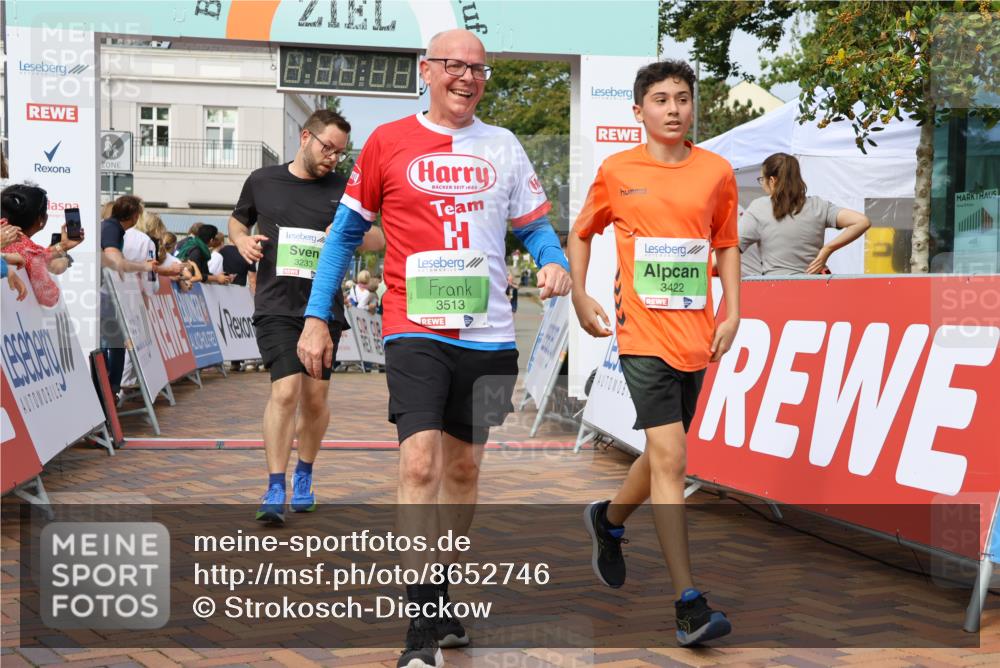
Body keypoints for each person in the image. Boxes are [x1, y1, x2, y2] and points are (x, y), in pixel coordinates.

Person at [297, 29, 571, 668]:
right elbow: (343, 238)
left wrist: (553, 261)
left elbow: (535, 227)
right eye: (454, 65)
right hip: (414, 327)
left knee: (465, 471)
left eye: (478, 69)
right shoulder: (389, 142)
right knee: (420, 465)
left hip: (491, 333)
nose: (467, 77)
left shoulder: (504, 146)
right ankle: (420, 629)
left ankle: (442, 585)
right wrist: (317, 317)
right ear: (427, 71)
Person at [568, 60, 741, 647]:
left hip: (696, 335)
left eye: (683, 98)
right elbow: (582, 231)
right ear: (638, 110)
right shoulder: (618, 171)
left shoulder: (716, 171)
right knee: (671, 458)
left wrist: (733, 311)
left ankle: (609, 520)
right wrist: (582, 294)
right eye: (661, 99)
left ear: (694, 107)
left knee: (663, 453)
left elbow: (726, 244)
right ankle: (688, 604)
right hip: (639, 335)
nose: (673, 108)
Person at [229, 109, 384, 525]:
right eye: (327, 148)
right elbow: (237, 220)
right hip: (276, 304)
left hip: (323, 307)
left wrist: (347, 234)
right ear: (305, 137)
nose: (334, 158)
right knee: (285, 391)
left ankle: (305, 475)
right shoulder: (263, 180)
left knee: (315, 399)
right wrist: (242, 242)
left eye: (341, 152)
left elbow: (378, 236)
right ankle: (274, 485)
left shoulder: (345, 188)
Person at [740, 152, 871, 275]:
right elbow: (862, 221)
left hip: (774, 288)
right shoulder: (819, 206)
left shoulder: (758, 207)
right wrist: (827, 249)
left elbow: (733, 247)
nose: (762, 184)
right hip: (812, 288)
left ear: (772, 181)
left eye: (762, 179)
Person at [100, 195, 162, 395]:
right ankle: (108, 389)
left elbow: (115, 260)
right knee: (109, 342)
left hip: (109, 293)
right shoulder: (111, 227)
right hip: (103, 295)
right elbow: (115, 261)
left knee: (115, 340)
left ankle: (111, 388)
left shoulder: (114, 228)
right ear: (135, 216)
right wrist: (142, 266)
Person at [1, 183, 85, 307]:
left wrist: (61, 246)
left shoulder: (24, 247)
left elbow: (35, 256)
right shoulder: (28, 251)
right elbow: (49, 297)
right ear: (41, 220)